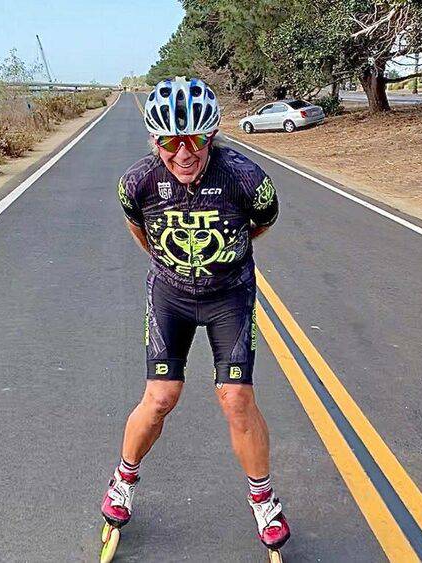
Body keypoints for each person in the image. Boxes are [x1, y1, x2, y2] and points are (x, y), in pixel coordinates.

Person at [101, 77, 289, 551]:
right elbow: (138, 226)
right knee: (161, 396)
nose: (183, 153)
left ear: (211, 137)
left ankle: (263, 499)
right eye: (170, 142)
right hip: (171, 296)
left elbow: (261, 223)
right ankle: (123, 479)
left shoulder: (247, 179)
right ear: (155, 141)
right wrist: (175, 266)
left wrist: (223, 262)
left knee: (236, 400)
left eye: (195, 140)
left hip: (230, 297)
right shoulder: (137, 182)